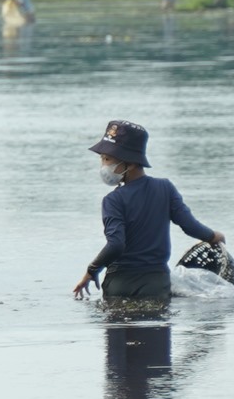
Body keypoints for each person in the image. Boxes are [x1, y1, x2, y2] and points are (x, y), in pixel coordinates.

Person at [71, 120, 223, 305]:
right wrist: (213, 236)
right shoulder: (165, 188)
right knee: (155, 328)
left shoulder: (113, 200)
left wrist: (91, 271)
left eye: (107, 159)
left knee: (119, 323)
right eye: (102, 159)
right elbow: (189, 225)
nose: (103, 166)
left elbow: (116, 245)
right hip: (156, 283)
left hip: (120, 285)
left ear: (131, 163)